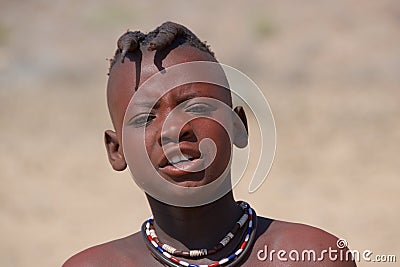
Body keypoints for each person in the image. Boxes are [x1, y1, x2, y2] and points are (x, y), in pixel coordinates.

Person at [63, 22, 356, 266]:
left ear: (237, 126)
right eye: (144, 118)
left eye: (198, 108)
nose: (174, 130)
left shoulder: (313, 256)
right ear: (116, 151)